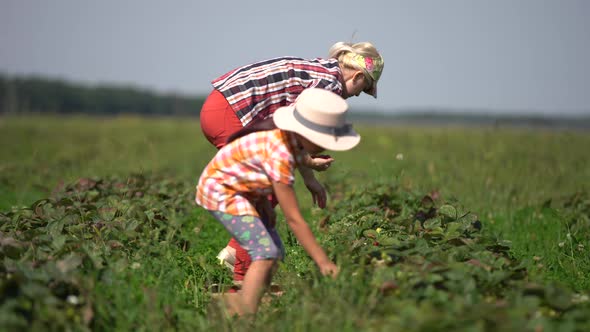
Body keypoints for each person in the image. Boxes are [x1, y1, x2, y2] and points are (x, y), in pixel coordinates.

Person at [199, 41, 384, 283]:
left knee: (270, 189)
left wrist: (310, 178)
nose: (360, 94)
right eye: (366, 87)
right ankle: (241, 277)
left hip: (222, 108)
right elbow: (297, 131)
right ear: (358, 76)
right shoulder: (329, 86)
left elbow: (294, 138)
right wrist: (308, 163)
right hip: (231, 112)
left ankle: (238, 257)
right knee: (262, 193)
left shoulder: (325, 73)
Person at [195, 88, 361, 316]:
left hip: (242, 191)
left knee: (275, 252)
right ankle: (244, 316)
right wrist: (323, 262)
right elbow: (294, 219)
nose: (328, 147)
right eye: (326, 140)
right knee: (265, 253)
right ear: (308, 135)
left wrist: (263, 204)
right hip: (222, 192)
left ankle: (244, 305)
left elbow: (252, 169)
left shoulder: (289, 142)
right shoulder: (281, 152)